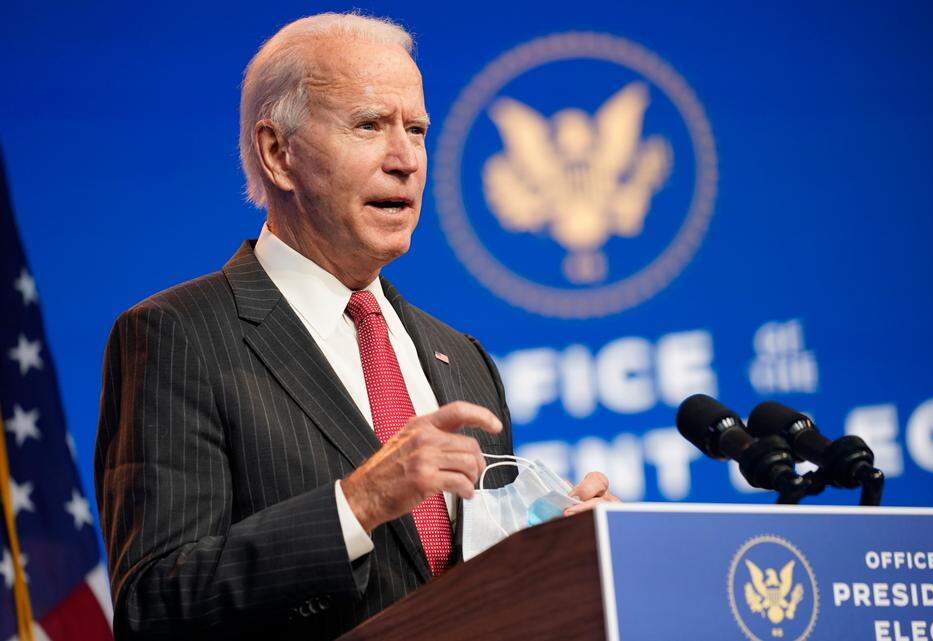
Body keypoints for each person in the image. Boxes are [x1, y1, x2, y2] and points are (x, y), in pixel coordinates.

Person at [94, 13, 616, 640]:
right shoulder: (179, 336)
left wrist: (558, 554)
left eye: (416, 130)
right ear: (277, 152)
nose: (405, 160)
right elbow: (155, 608)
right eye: (369, 125)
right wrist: (359, 504)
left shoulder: (462, 356)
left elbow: (476, 594)